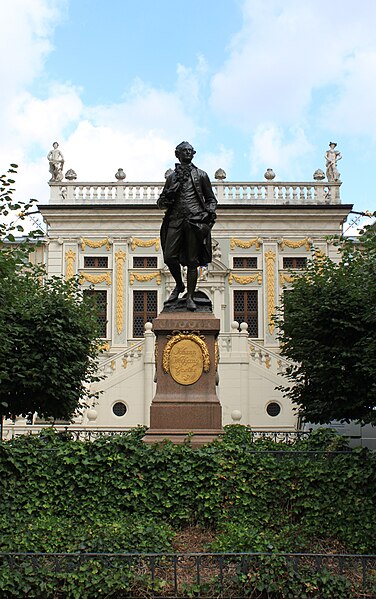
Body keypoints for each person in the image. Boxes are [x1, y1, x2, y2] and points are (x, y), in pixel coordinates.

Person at [157, 141, 217, 311]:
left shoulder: (201, 175)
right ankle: (179, 285)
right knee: (169, 257)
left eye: (190, 151)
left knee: (192, 261)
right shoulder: (172, 178)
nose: (188, 153)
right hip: (175, 220)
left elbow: (211, 199)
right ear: (178, 154)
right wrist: (168, 195)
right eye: (184, 151)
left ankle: (189, 296)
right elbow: (161, 203)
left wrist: (209, 212)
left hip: (194, 221)